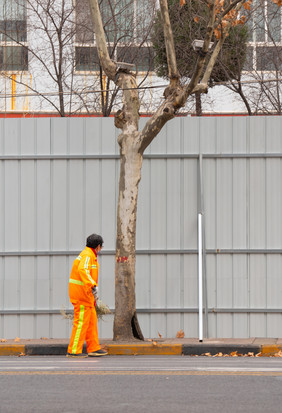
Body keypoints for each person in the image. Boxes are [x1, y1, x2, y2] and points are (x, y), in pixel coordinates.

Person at [67, 234, 108, 358]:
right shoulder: (87, 255)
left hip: (86, 296)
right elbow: (82, 270)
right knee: (81, 323)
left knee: (91, 322)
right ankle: (74, 351)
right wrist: (92, 285)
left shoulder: (89, 255)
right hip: (82, 296)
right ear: (98, 246)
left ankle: (94, 348)